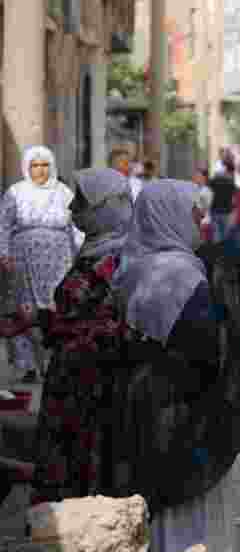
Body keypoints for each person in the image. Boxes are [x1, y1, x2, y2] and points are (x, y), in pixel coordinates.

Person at [111, 179, 240, 552]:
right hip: (181, 412)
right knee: (189, 513)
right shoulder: (180, 275)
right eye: (192, 213)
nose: (200, 220)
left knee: (159, 506)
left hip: (144, 404)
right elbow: (205, 347)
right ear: (169, 216)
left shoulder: (133, 266)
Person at [0, 168, 134, 503]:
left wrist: (49, 324)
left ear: (105, 207)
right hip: (72, 381)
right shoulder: (95, 251)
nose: (72, 208)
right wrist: (36, 319)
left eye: (82, 202)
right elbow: (80, 317)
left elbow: (106, 327)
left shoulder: (120, 262)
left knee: (82, 476)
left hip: (94, 386)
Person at [0, 146, 77, 383]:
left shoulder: (63, 192)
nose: (40, 170)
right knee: (23, 310)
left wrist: (80, 253)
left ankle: (53, 361)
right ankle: (28, 365)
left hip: (58, 261)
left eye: (44, 165)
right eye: (35, 165)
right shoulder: (15, 192)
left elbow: (76, 226)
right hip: (22, 261)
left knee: (55, 307)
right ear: (27, 167)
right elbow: (3, 224)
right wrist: (3, 254)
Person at [208, 160, 238, 245]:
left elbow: (209, 191)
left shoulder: (214, 180)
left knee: (216, 235)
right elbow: (235, 197)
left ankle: (217, 250)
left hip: (215, 210)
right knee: (225, 235)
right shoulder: (231, 182)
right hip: (227, 211)